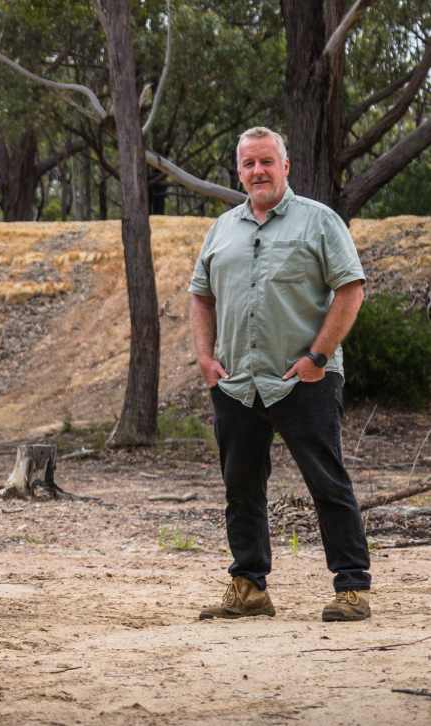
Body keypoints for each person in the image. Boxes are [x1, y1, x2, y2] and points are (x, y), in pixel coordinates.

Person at [188, 126, 371, 623]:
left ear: (285, 166)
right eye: (248, 164)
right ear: (239, 170)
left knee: (326, 481)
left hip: (302, 379)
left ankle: (352, 586)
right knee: (240, 486)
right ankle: (248, 587)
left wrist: (317, 356)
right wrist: (206, 359)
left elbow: (350, 290)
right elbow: (201, 295)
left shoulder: (319, 221)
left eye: (267, 161)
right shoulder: (222, 228)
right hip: (236, 383)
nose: (258, 171)